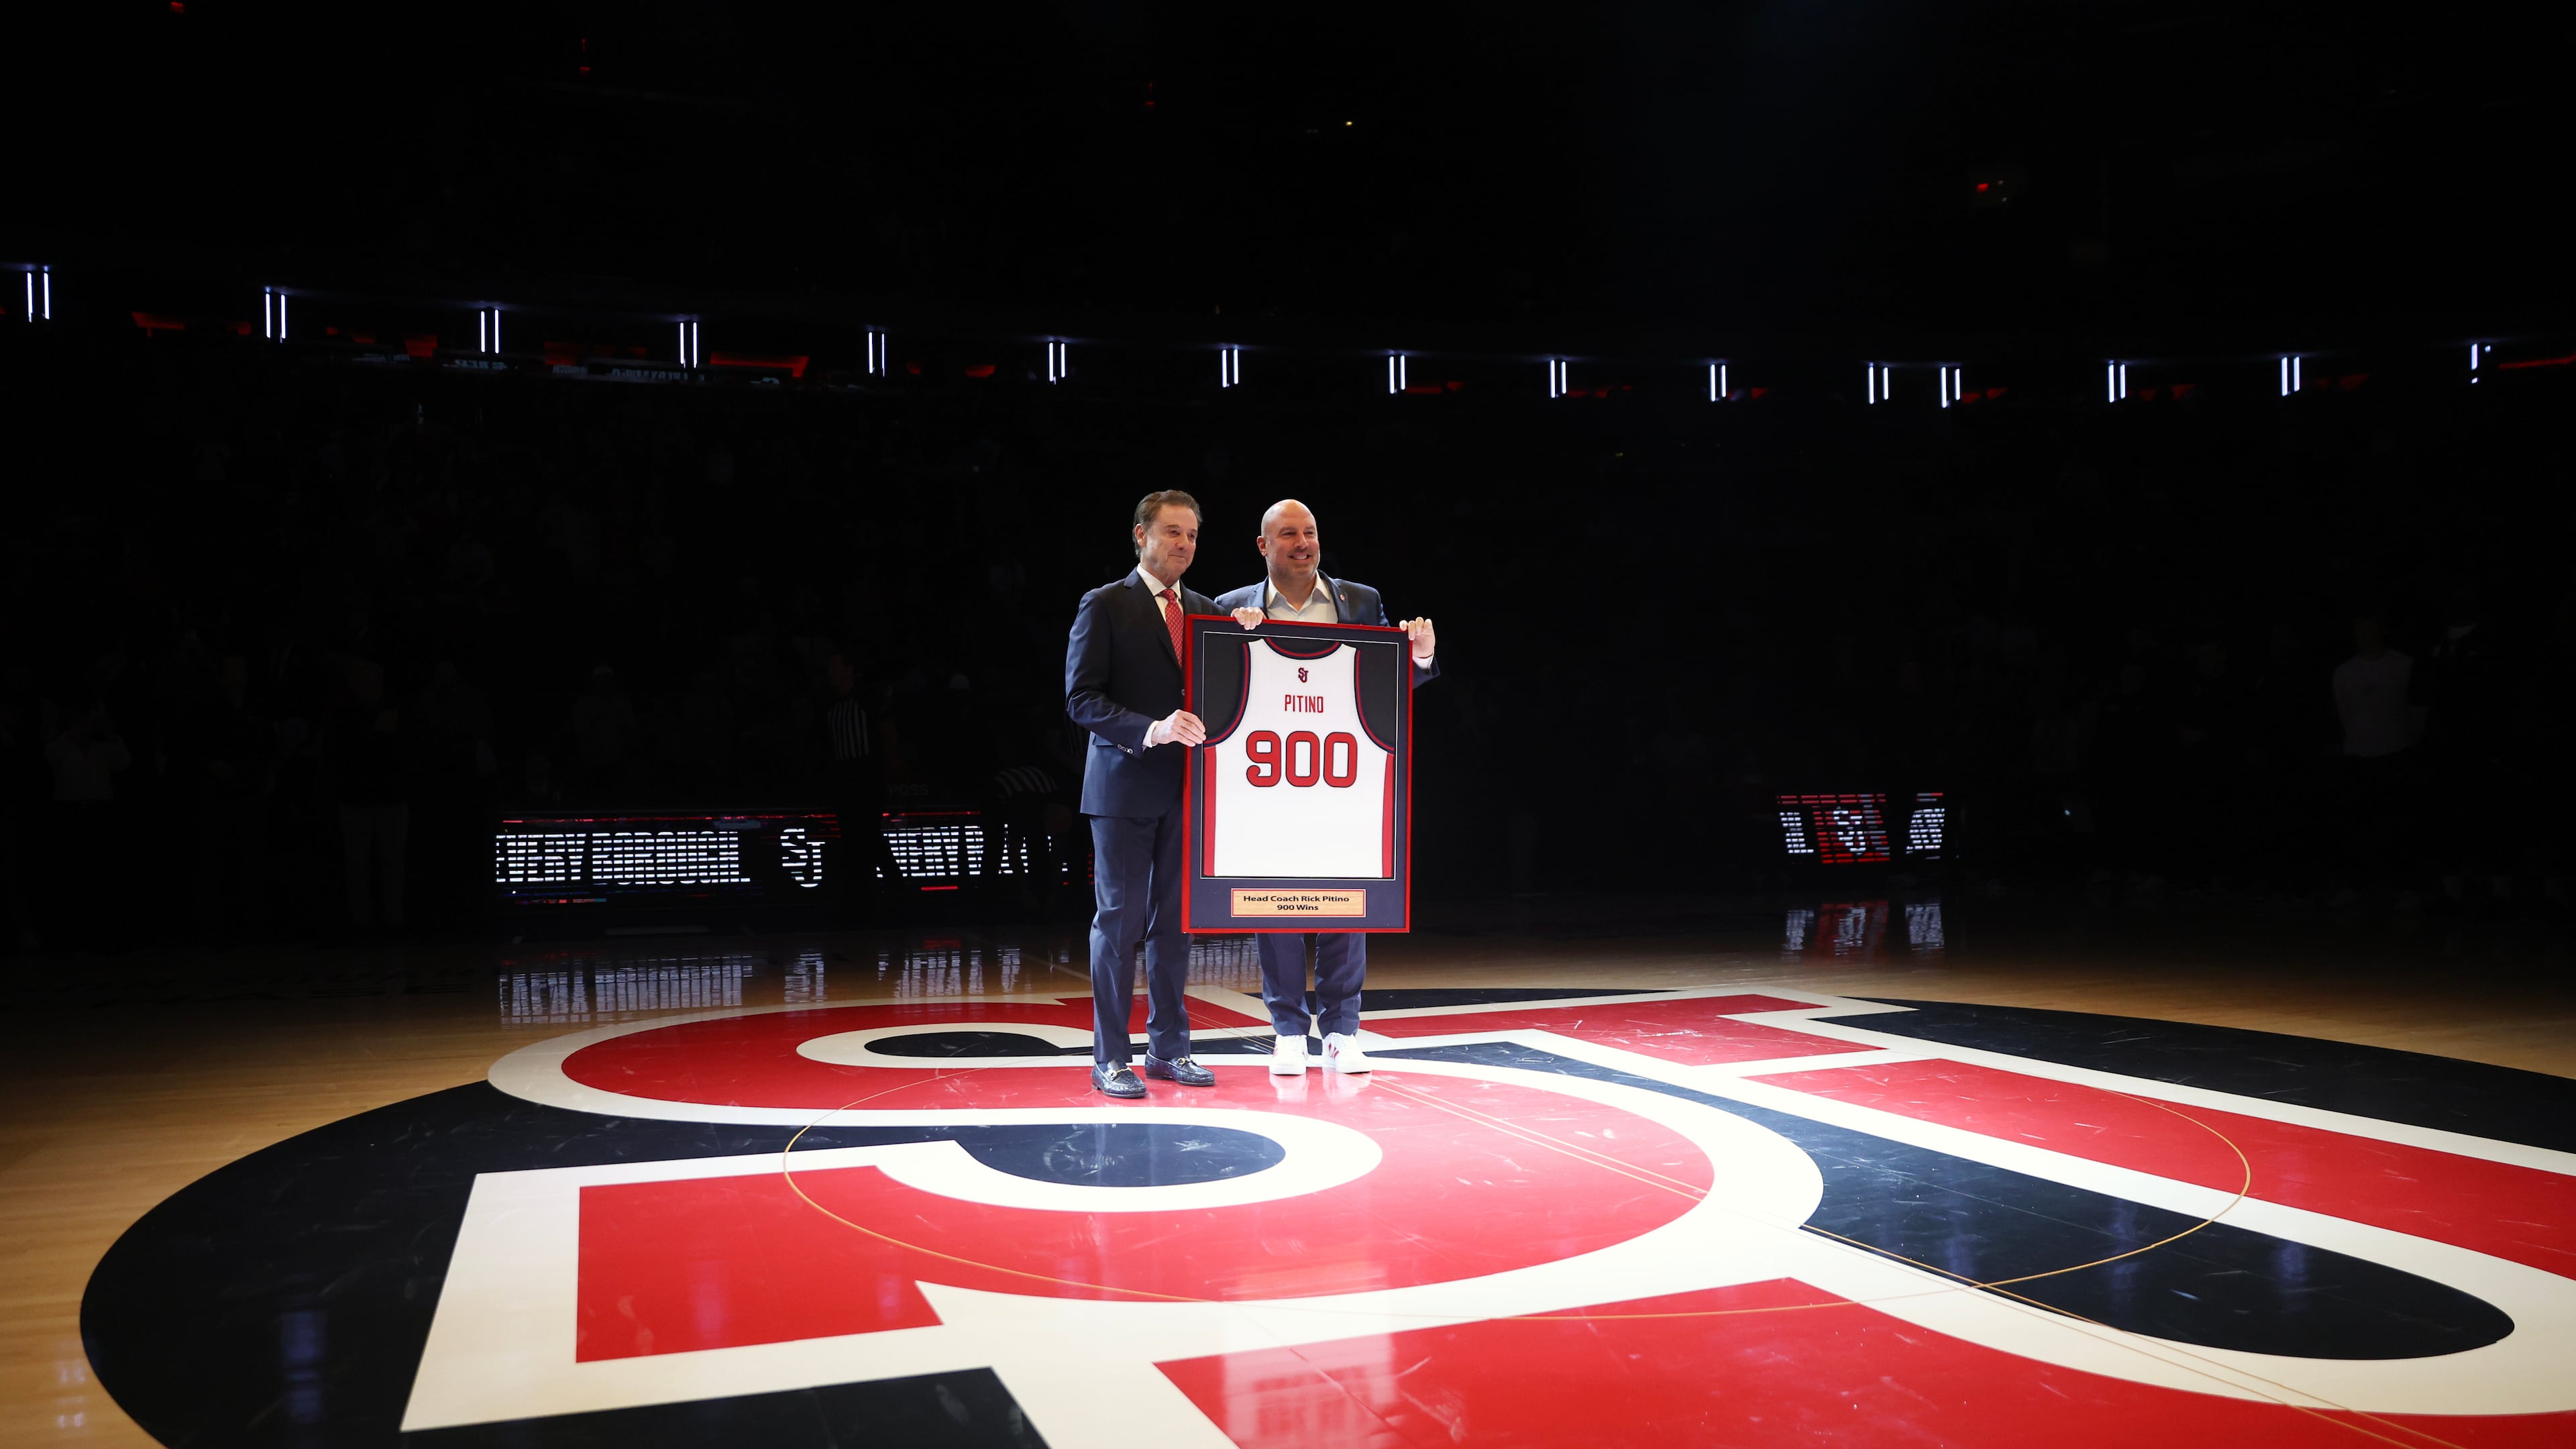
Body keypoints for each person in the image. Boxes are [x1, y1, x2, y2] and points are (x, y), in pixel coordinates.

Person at [1214, 498, 1438, 1076]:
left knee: (1347, 904)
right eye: (1287, 534)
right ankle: (1288, 1030)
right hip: (1264, 788)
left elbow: (1387, 689)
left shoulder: (1360, 601)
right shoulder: (1231, 606)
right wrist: (1235, 646)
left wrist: (1421, 657)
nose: (1302, 542)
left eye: (1309, 532)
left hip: (1341, 784)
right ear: (1263, 546)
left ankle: (1342, 1030)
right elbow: (1215, 693)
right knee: (1275, 909)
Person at [1065, 490, 1223, 1097]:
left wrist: (1250, 634)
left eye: (1192, 535)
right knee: (1120, 925)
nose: (1184, 544)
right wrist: (1149, 730)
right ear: (1141, 536)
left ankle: (1169, 1050)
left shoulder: (1207, 610)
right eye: (1173, 532)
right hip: (1124, 789)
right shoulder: (1105, 604)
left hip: (1188, 793)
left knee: (1176, 927)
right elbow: (1082, 700)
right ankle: (1110, 1057)